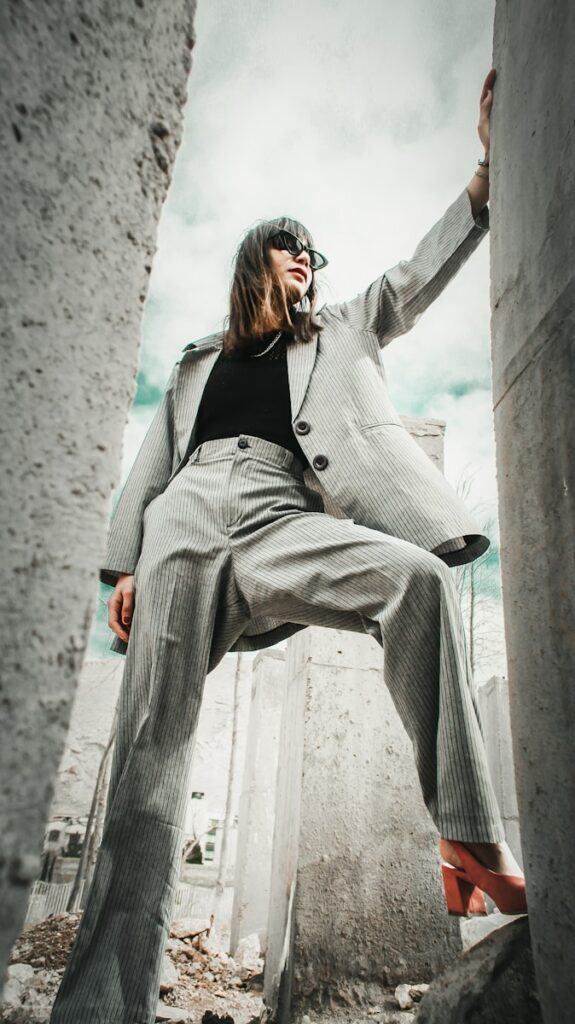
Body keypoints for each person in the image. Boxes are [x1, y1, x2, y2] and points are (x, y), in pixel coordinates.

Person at [50, 68, 526, 1024]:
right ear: (251, 259)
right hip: (181, 524)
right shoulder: (195, 362)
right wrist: (121, 568)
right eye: (287, 244)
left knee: (418, 584)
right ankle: (102, 1005)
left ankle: (468, 838)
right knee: (147, 753)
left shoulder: (343, 329)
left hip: (281, 517)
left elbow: (409, 278)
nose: (304, 256)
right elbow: (153, 465)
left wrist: (482, 179)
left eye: (313, 248)